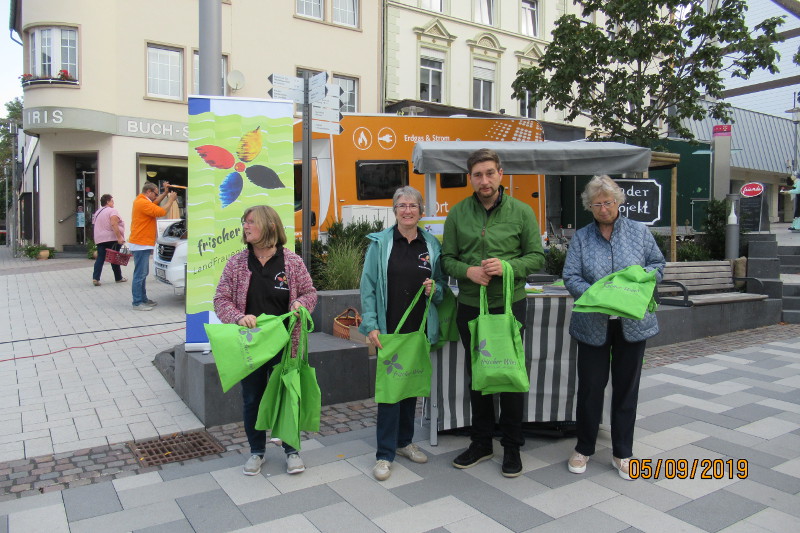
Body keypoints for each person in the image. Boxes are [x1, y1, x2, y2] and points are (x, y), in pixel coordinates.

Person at [441, 148, 545, 478]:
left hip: (510, 306)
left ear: (501, 174)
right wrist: (467, 272)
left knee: (510, 375)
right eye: (477, 175)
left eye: (489, 173)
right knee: (480, 377)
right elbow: (446, 260)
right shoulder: (458, 213)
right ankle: (482, 443)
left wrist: (507, 266)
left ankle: (512, 447)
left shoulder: (522, 212)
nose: (484, 180)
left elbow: (538, 258)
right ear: (470, 178)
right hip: (471, 306)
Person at [562, 175, 665, 480]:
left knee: (626, 389)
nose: (604, 208)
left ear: (619, 201)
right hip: (592, 324)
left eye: (608, 202)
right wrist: (598, 296)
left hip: (632, 324)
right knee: (591, 388)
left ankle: (623, 452)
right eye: (597, 204)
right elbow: (571, 276)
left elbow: (658, 266)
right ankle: (584, 448)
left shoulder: (639, 233)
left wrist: (640, 281)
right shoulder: (581, 238)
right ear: (589, 207)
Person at [213, 205, 317, 476]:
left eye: (251, 222)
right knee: (252, 399)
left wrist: (299, 303)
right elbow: (220, 299)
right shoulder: (236, 263)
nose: (245, 227)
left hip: (285, 345)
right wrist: (237, 317)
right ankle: (256, 451)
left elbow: (310, 293)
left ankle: (292, 451)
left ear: (269, 226)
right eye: (244, 222)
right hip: (251, 346)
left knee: (287, 397)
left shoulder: (291, 262)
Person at [359, 186, 447, 481]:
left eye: (413, 206)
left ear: (421, 211)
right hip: (389, 329)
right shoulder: (381, 244)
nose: (407, 210)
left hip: (418, 329)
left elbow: (441, 288)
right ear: (394, 210)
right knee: (389, 392)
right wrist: (370, 324)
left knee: (410, 386)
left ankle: (405, 441)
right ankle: (384, 454)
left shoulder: (431, 245)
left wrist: (435, 290)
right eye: (402, 205)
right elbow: (368, 286)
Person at [129, 181, 177, 310]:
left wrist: (165, 193)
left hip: (142, 243)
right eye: (155, 194)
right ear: (148, 192)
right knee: (140, 274)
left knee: (142, 273)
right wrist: (171, 200)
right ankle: (137, 302)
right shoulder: (142, 203)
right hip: (140, 243)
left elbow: (155, 204)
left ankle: (143, 298)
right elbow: (161, 211)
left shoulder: (143, 201)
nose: (156, 197)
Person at [91, 194, 127, 286]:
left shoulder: (97, 212)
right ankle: (118, 277)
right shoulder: (112, 211)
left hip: (100, 238)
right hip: (111, 238)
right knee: (114, 257)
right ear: (107, 202)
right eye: (112, 201)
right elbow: (114, 224)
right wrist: (119, 237)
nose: (113, 203)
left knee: (100, 257)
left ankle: (96, 278)